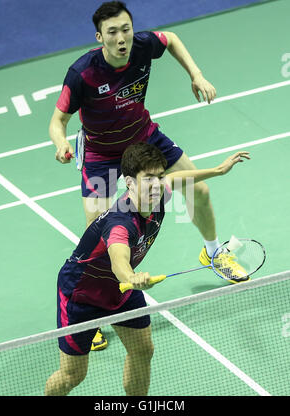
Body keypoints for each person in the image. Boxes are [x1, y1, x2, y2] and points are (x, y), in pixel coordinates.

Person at [48, 1, 233, 350]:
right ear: (99, 36)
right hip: (102, 155)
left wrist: (196, 74)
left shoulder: (144, 46)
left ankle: (213, 252)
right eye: (113, 32)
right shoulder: (83, 72)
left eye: (126, 29)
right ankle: (86, 310)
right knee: (97, 231)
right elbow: (57, 121)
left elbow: (172, 39)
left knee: (200, 191)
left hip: (144, 138)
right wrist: (60, 144)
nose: (121, 38)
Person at [44, 143, 250, 396]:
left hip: (121, 291)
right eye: (148, 179)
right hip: (81, 295)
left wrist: (218, 170)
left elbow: (176, 178)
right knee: (72, 376)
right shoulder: (120, 223)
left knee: (143, 350)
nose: (156, 184)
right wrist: (131, 277)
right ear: (129, 183)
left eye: (158, 176)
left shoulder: (159, 193)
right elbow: (119, 259)